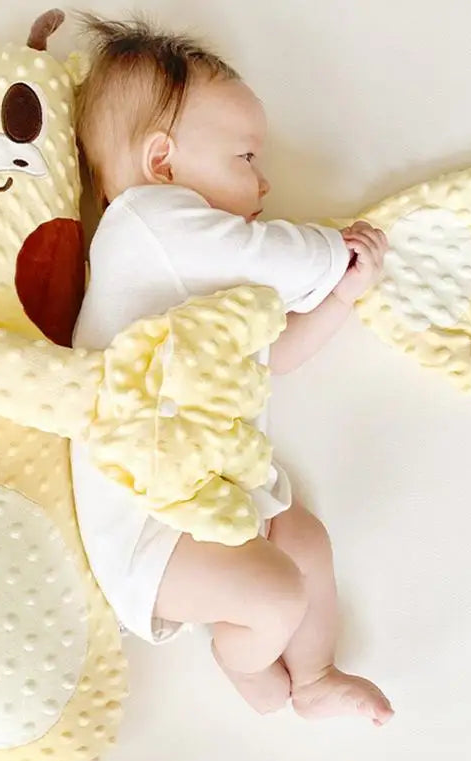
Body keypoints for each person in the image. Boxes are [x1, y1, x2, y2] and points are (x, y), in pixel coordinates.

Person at [71, 15, 393, 724]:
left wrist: (340, 298)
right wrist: (332, 253)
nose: (265, 180)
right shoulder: (146, 224)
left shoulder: (202, 284)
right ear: (162, 163)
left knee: (304, 542)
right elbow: (270, 257)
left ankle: (315, 675)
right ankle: (241, 660)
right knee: (275, 592)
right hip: (149, 529)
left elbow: (273, 358)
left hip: (213, 496)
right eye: (245, 157)